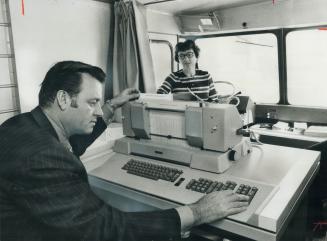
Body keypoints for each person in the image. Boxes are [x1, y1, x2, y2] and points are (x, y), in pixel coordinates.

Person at [0, 61, 248, 241]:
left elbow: (68, 146)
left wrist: (110, 106)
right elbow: (103, 229)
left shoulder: (25, 127)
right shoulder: (42, 156)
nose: (97, 111)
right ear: (64, 99)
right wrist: (197, 212)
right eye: (92, 102)